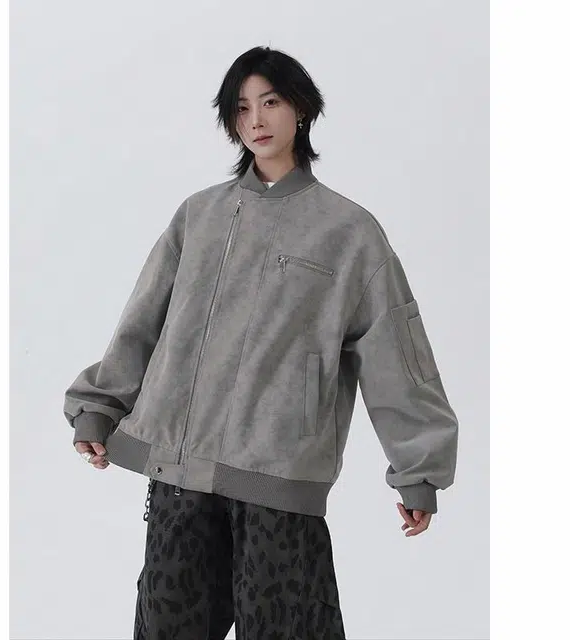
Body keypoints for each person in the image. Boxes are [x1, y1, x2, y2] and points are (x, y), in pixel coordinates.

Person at [64, 45, 459, 640]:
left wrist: (417, 471)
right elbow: (143, 324)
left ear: (300, 108)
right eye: (242, 107)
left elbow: (397, 355)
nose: (256, 120)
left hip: (278, 479)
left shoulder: (349, 232)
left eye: (270, 102)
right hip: (181, 474)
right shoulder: (199, 216)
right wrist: (99, 408)